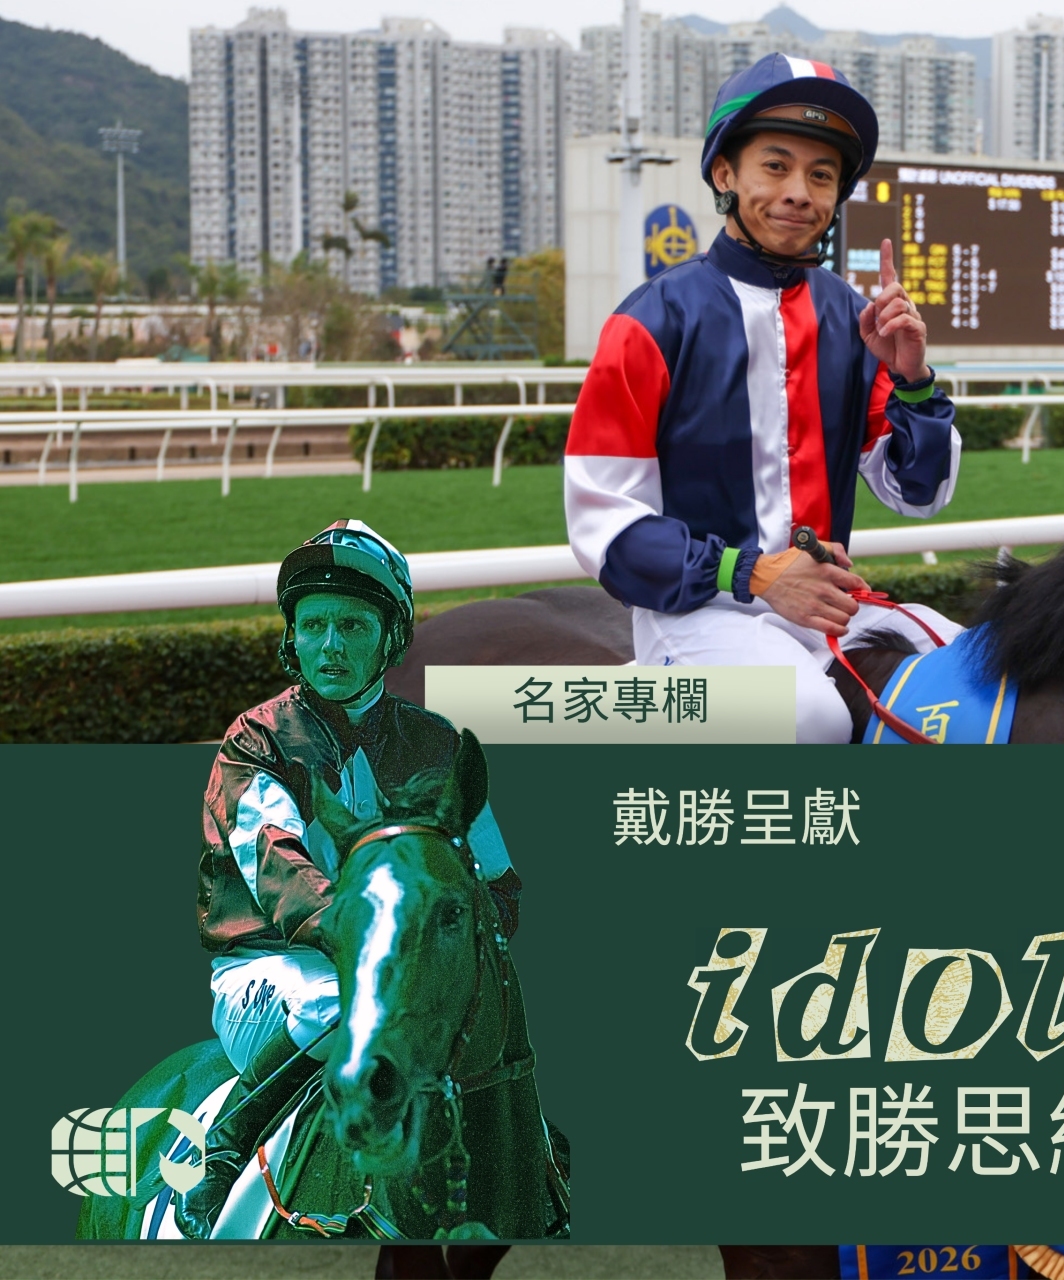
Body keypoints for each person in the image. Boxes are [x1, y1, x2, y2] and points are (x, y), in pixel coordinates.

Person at [563, 54, 962, 744]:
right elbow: (605, 529)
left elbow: (919, 493)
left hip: (831, 607)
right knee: (810, 719)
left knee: (987, 678)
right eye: (775, 167)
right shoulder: (651, 322)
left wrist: (915, 382)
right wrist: (753, 573)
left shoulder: (852, 319)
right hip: (696, 615)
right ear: (726, 175)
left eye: (821, 175)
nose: (799, 192)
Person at [181, 522, 522, 1240]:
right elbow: (285, 881)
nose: (330, 645)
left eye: (351, 625)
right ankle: (227, 1147)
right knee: (347, 1007)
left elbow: (498, 884)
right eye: (313, 627)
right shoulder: (257, 741)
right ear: (293, 638)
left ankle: (530, 1164)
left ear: (389, 637)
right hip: (274, 970)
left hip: (400, 967)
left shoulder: (439, 746)